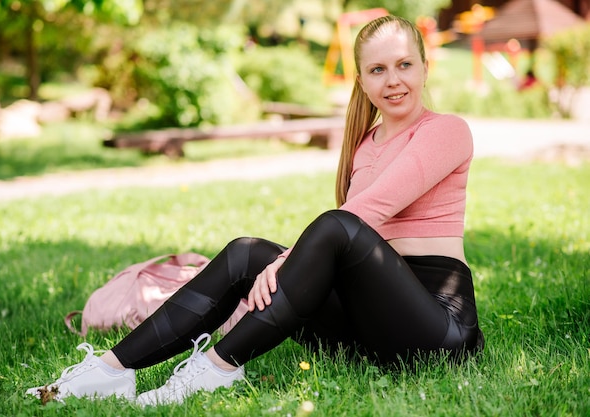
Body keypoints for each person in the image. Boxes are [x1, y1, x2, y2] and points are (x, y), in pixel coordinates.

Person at [26, 15, 484, 406]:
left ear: (425, 67)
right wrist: (282, 264)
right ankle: (110, 371)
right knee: (247, 253)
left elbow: (370, 210)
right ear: (361, 81)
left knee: (337, 224)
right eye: (378, 70)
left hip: (438, 328)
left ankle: (215, 368)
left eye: (405, 65)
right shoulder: (364, 144)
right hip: (370, 327)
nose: (394, 80)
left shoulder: (446, 130)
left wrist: (289, 261)